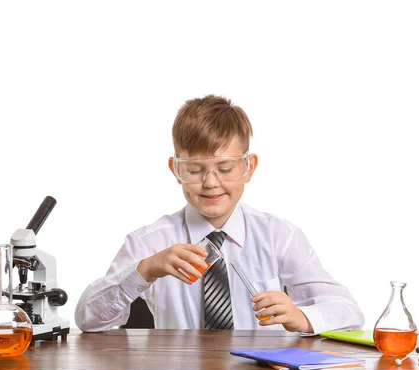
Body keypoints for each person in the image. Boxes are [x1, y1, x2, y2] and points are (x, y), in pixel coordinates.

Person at [75, 95, 364, 334]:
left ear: (248, 167)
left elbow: (348, 312)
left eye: (225, 169)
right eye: (195, 170)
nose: (211, 183)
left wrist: (302, 317)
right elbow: (88, 321)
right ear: (176, 170)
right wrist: (146, 269)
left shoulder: (279, 236)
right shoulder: (148, 242)